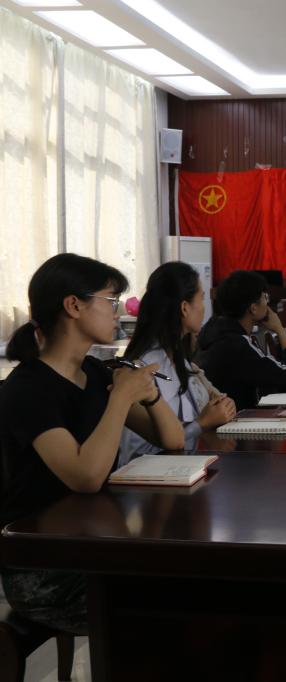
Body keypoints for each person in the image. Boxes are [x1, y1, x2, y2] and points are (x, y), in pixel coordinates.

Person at [0, 254, 185, 634]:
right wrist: (120, 398)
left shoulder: (95, 372)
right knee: (177, 602)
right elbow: (85, 477)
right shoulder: (28, 389)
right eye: (110, 301)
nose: (118, 313)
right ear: (74, 306)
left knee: (190, 577)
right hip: (46, 569)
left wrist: (148, 394)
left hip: (94, 541)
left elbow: (173, 439)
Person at [119, 262, 237, 462]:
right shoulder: (146, 366)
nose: (204, 308)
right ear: (184, 308)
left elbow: (206, 404)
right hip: (148, 474)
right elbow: (145, 448)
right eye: (201, 299)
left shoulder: (179, 360)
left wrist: (221, 408)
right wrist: (203, 422)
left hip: (183, 467)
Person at [195, 270, 286, 409]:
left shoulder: (214, 332)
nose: (268, 302)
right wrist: (279, 330)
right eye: (265, 297)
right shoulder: (238, 345)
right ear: (253, 308)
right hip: (238, 419)